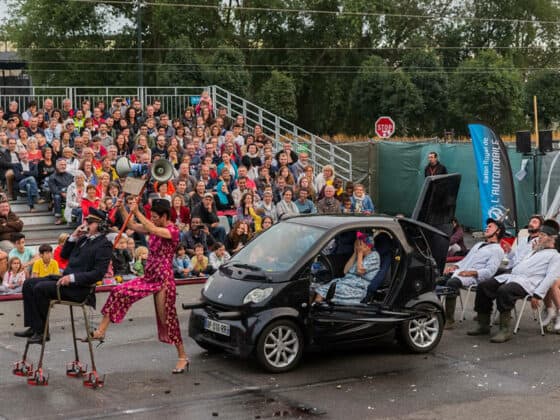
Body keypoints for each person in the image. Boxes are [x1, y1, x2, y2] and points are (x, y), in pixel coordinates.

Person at [91, 199, 189, 374]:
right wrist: (123, 209)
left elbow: (151, 229)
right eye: (151, 216)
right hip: (149, 276)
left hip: (163, 280)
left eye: (155, 217)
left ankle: (182, 356)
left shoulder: (172, 231)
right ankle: (101, 330)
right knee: (119, 290)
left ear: (165, 216)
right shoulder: (155, 225)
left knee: (167, 318)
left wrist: (137, 212)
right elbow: (134, 226)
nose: (153, 219)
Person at [14, 208, 112, 343]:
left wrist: (72, 278)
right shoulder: (83, 239)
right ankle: (34, 327)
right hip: (65, 281)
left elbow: (98, 274)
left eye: (90, 222)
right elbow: (64, 255)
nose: (86, 224)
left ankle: (42, 332)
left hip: (79, 288)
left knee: (40, 288)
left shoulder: (104, 245)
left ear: (100, 225)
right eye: (86, 221)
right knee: (29, 283)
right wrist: (73, 236)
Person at [468, 220, 560, 343]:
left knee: (504, 291)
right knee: (484, 286)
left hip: (528, 283)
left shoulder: (555, 256)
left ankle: (505, 330)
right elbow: (518, 260)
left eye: (542, 236)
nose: (539, 238)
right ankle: (483, 324)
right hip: (513, 277)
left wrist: (538, 295)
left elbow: (550, 277)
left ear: (551, 239)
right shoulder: (535, 250)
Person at [438, 218, 505, 329]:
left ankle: (449, 319)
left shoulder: (497, 250)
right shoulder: (479, 245)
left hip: (475, 277)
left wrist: (472, 272)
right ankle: (435, 313)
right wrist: (455, 266)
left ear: (498, 231)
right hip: (462, 272)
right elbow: (466, 260)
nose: (487, 228)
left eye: (490, 226)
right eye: (487, 226)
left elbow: (490, 271)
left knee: (451, 283)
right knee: (438, 281)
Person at [314, 232, 380, 305]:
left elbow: (359, 271)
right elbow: (345, 271)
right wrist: (355, 253)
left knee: (323, 291)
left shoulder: (374, 256)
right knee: (319, 289)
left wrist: (360, 253)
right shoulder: (359, 256)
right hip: (346, 282)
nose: (357, 246)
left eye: (359, 244)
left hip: (357, 287)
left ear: (367, 246)